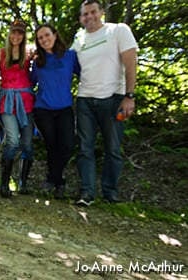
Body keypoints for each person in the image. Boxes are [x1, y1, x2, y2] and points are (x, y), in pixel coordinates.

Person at [72, 0, 137, 206]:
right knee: (85, 148)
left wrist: (130, 96)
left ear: (101, 12)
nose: (89, 17)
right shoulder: (79, 38)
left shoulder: (118, 30)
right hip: (85, 101)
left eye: (93, 12)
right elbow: (64, 59)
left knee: (113, 147)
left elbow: (131, 63)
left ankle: (110, 192)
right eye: (85, 14)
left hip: (114, 100)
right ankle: (87, 193)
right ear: (81, 18)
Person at [30, 23, 81, 199]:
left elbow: (85, 75)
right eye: (40, 38)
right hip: (43, 109)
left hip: (65, 108)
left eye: (47, 35)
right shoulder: (38, 62)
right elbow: (30, 83)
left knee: (67, 145)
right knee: (51, 146)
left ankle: (53, 177)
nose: (44, 40)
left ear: (55, 35)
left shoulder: (70, 57)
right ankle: (59, 183)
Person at [0, 19, 35, 198]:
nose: (16, 36)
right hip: (8, 101)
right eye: (14, 32)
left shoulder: (29, 53)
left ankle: (22, 183)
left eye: (20, 33)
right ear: (9, 34)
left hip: (26, 101)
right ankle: (4, 184)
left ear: (24, 36)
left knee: (27, 143)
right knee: (12, 140)